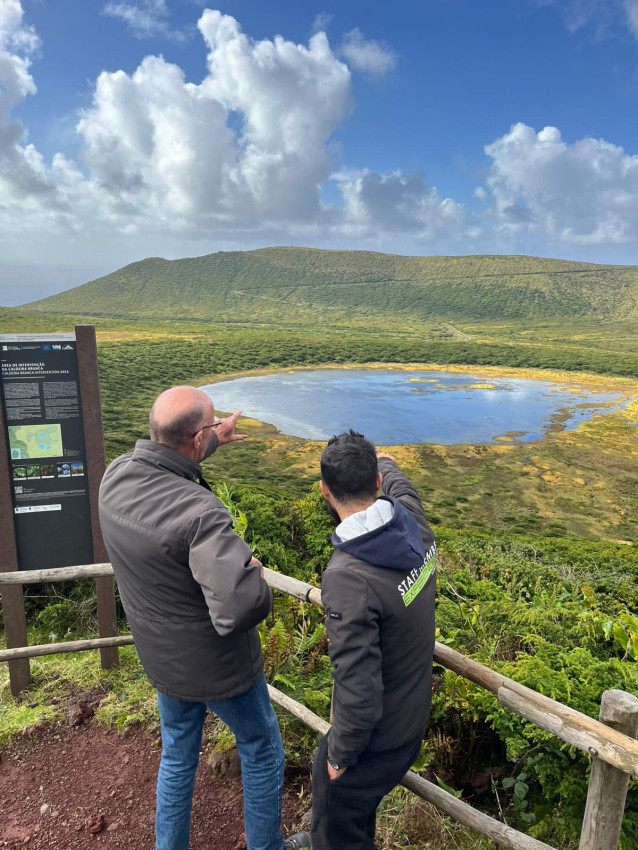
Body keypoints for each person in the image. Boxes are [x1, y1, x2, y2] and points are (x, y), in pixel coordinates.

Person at [99, 385, 292, 850]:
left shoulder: (116, 476)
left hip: (162, 656)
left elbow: (168, 478)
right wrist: (254, 577)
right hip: (220, 667)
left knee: (178, 753)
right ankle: (268, 846)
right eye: (209, 428)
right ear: (193, 438)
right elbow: (242, 605)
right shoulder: (203, 513)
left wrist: (213, 440)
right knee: (263, 749)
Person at [309, 430, 436, 850]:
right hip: (414, 708)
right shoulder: (413, 524)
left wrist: (340, 756)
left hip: (384, 735)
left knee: (335, 796)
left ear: (325, 490)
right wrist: (386, 461)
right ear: (377, 483)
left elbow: (358, 687)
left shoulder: (347, 576)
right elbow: (404, 489)